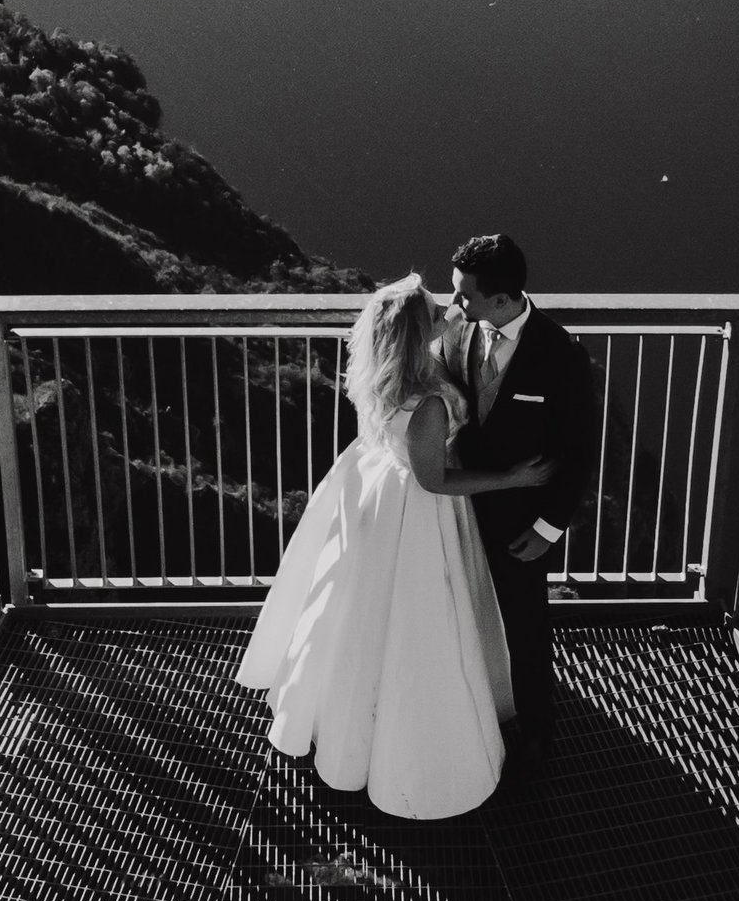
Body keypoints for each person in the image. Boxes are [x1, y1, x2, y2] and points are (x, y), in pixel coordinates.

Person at [235, 274, 554, 818]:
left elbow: (445, 321)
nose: (447, 309)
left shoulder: (386, 374)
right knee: (421, 620)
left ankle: (350, 725)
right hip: (419, 507)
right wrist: (513, 481)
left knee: (360, 614)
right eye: (435, 309)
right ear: (416, 334)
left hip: (378, 491)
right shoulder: (427, 403)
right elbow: (433, 481)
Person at [439, 232, 595, 775]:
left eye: (464, 295)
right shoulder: (457, 331)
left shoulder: (562, 356)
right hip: (456, 507)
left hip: (519, 522)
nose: (453, 304)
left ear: (502, 300)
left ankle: (535, 734)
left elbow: (580, 452)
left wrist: (550, 528)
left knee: (526, 625)